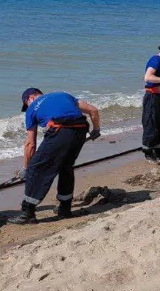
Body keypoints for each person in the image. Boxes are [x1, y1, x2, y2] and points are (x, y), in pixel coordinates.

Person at [8, 88, 102, 224]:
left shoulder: (32, 108)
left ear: (30, 98)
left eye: (26, 104)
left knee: (35, 169)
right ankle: (65, 209)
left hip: (60, 129)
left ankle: (28, 212)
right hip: (81, 129)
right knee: (66, 167)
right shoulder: (63, 95)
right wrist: (96, 130)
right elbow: (93, 110)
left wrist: (26, 168)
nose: (27, 107)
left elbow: (30, 144)